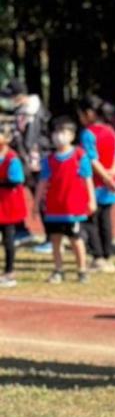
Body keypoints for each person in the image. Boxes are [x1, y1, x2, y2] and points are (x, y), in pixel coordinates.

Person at [35, 117, 95, 283]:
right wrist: (36, 203)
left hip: (73, 207)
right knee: (55, 239)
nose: (58, 136)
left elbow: (87, 179)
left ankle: (82, 270)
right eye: (56, 132)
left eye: (63, 132)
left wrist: (91, 200)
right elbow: (43, 182)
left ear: (72, 135)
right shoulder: (49, 159)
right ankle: (58, 269)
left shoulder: (79, 156)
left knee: (76, 239)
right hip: (55, 206)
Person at [77, 95, 115, 273]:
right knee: (106, 220)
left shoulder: (88, 133)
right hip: (110, 182)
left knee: (91, 222)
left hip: (95, 185)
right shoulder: (111, 130)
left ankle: (98, 256)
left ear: (89, 114)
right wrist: (113, 173)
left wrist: (105, 177)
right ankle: (108, 255)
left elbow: (92, 159)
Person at [4, 78, 49, 249]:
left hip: (36, 161)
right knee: (13, 194)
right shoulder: (22, 111)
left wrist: (16, 143)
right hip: (26, 160)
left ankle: (51, 238)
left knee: (42, 199)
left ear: (20, 96)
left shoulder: (32, 111)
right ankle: (21, 230)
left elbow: (30, 141)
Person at [0, 120, 27, 287]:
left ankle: (9, 271)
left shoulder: (12, 159)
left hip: (8, 205)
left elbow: (16, 180)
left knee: (8, 239)